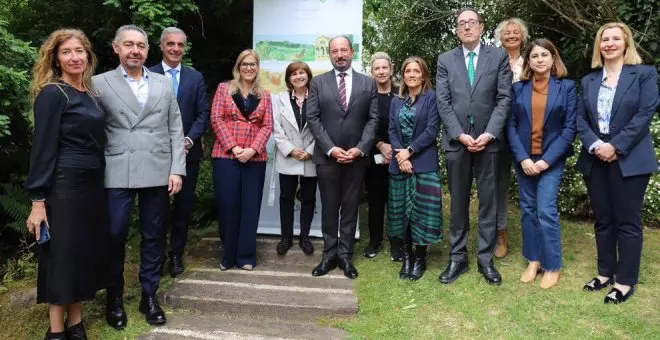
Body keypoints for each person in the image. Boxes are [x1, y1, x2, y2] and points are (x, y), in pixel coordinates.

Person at [93, 24, 186, 328]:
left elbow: (175, 127)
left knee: (154, 236)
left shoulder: (162, 83)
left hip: (158, 169)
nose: (135, 50)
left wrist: (177, 168)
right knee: (114, 234)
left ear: (148, 50)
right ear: (116, 47)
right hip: (116, 169)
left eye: (141, 45)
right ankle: (115, 296)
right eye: (129, 45)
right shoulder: (98, 83)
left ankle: (150, 296)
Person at [24, 28, 107, 340]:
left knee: (80, 255)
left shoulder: (89, 94)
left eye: (79, 51)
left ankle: (76, 324)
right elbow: (43, 149)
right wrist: (37, 201)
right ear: (55, 59)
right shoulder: (52, 94)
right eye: (66, 52)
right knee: (61, 257)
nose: (75, 57)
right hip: (63, 187)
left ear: (88, 56)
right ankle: (56, 332)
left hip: (91, 187)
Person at [577, 22, 659, 304]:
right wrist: (598, 145)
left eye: (615, 39)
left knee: (628, 222)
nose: (609, 44)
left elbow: (645, 112)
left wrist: (616, 145)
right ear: (599, 46)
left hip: (631, 159)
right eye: (604, 39)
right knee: (603, 220)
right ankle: (604, 273)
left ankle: (624, 281)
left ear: (626, 44)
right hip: (595, 158)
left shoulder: (644, 74)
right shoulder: (589, 80)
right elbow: (580, 119)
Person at [436, 8, 512, 285]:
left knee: (489, 203)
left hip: (488, 144)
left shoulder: (498, 56)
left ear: (481, 27)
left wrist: (490, 133)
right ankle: (457, 258)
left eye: (472, 22)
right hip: (458, 144)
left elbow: (504, 98)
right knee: (457, 203)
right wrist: (458, 134)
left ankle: (485, 259)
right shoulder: (445, 60)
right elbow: (443, 102)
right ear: (457, 30)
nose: (467, 27)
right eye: (461, 23)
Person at [306, 35, 379, 279]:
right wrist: (330, 148)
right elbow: (313, 118)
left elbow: (373, 119)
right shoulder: (318, 83)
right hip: (328, 159)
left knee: (350, 208)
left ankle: (345, 256)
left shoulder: (368, 84)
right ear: (330, 54)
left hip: (356, 158)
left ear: (352, 52)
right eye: (335, 51)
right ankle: (329, 254)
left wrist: (360, 148)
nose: (340, 55)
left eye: (343, 50)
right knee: (329, 208)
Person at [507, 38, 576, 289]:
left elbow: (569, 129)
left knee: (546, 210)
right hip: (525, 159)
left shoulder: (566, 87)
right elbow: (511, 126)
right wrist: (523, 158)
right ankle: (533, 260)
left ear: (553, 59)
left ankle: (552, 265)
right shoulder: (518, 89)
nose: (539, 60)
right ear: (529, 61)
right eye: (535, 56)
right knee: (528, 209)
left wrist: (546, 160)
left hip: (551, 159)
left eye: (544, 55)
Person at [149, 27, 210, 278]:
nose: (176, 49)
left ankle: (176, 254)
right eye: (171, 44)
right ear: (161, 46)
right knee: (157, 209)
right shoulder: (147, 74)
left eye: (180, 45)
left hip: (188, 154)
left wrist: (188, 140)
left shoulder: (195, 78)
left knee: (183, 208)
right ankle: (156, 256)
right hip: (155, 154)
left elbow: (203, 114)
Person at [210, 49, 273, 271]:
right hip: (226, 155)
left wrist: (252, 150)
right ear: (238, 67)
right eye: (244, 64)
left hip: (255, 159)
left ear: (258, 68)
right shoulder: (224, 89)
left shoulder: (264, 95)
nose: (249, 68)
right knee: (228, 205)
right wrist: (235, 148)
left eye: (253, 64)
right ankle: (228, 255)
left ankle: (246, 256)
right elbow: (216, 119)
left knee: (250, 207)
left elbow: (267, 125)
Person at [388, 56, 443, 281]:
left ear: (423, 75)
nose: (411, 74)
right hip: (400, 164)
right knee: (402, 213)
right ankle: (407, 257)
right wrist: (401, 157)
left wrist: (408, 151)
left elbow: (431, 130)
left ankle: (420, 258)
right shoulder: (396, 101)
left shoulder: (432, 98)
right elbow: (392, 130)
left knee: (421, 213)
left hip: (424, 163)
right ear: (403, 75)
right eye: (408, 71)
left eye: (416, 71)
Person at [493, 17, 530, 258]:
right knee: (499, 186)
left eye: (516, 32)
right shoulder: (492, 60)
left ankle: (534, 236)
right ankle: (501, 234)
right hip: (497, 130)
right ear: (501, 37)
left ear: (523, 36)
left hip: (526, 130)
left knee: (529, 186)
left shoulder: (531, 60)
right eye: (507, 32)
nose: (512, 35)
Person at [272, 61, 317, 255]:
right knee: (286, 198)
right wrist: (291, 150)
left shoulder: (317, 98)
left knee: (309, 199)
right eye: (294, 74)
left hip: (310, 157)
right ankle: (286, 238)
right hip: (288, 157)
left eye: (302, 73)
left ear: (308, 75)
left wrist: (311, 150)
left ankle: (304, 238)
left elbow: (322, 126)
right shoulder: (279, 99)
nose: (298, 76)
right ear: (289, 78)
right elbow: (276, 128)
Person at [364, 52, 400, 260]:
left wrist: (393, 148)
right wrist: (380, 144)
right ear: (372, 72)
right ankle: (375, 241)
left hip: (399, 154)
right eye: (377, 68)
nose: (381, 72)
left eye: (384, 68)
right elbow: (363, 123)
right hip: (374, 155)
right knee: (376, 200)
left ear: (391, 69)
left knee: (396, 201)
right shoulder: (367, 95)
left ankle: (397, 243)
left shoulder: (401, 93)